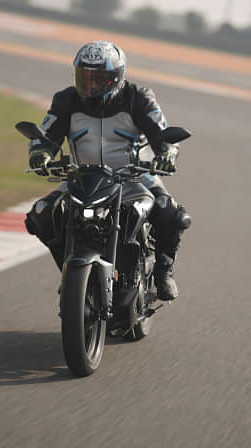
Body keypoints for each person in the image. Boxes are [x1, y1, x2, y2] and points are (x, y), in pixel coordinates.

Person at [24, 41, 191, 301]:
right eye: (85, 76)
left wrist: (167, 154)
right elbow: (47, 134)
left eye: (98, 79)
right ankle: (70, 273)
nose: (90, 85)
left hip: (134, 176)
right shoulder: (66, 99)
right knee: (41, 215)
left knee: (170, 213)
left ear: (117, 77)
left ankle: (163, 272)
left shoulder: (138, 97)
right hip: (82, 177)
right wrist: (40, 153)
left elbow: (162, 134)